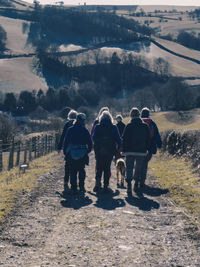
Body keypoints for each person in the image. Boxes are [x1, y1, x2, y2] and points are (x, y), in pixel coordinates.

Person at [122, 107, 150, 196]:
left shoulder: (128, 126)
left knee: (129, 168)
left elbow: (124, 139)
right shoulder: (145, 126)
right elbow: (148, 139)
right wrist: (147, 149)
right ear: (139, 115)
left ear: (131, 116)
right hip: (141, 151)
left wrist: (123, 149)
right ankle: (136, 184)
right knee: (138, 168)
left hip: (129, 151)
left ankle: (129, 185)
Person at [63, 113, 92, 194]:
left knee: (72, 171)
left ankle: (73, 187)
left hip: (71, 153)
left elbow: (65, 142)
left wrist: (65, 152)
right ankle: (81, 186)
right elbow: (90, 143)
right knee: (81, 170)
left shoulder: (70, 129)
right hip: (82, 153)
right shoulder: (85, 130)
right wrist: (87, 151)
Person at [92, 110, 121, 192]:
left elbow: (93, 138)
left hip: (99, 150)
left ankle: (97, 184)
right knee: (107, 167)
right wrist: (119, 148)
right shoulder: (114, 127)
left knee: (99, 167)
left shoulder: (97, 126)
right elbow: (118, 139)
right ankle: (105, 185)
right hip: (110, 150)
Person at [141, 107, 162, 187]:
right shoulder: (151, 122)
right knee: (145, 163)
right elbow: (156, 134)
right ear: (148, 114)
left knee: (139, 162)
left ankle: (137, 179)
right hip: (149, 147)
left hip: (138, 147)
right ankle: (142, 181)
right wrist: (159, 145)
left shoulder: (137, 121)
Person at [57, 109, 78, 192]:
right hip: (77, 147)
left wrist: (59, 147)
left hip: (68, 147)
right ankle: (76, 183)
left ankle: (66, 181)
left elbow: (63, 136)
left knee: (67, 165)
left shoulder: (67, 124)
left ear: (69, 117)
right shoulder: (78, 123)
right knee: (77, 165)